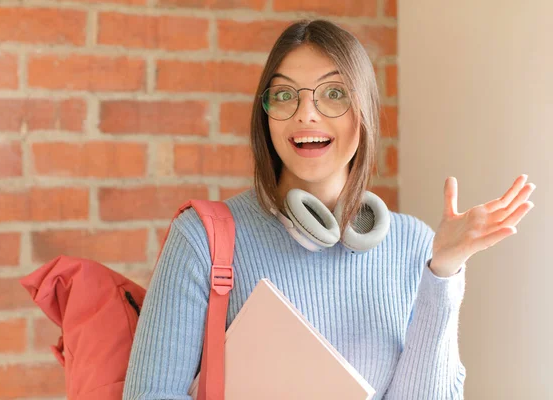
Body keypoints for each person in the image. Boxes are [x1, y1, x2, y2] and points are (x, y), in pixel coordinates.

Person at [122, 19, 535, 399]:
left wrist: (443, 271)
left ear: (364, 111)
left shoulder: (415, 246)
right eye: (284, 95)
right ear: (265, 116)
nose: (306, 113)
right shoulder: (202, 238)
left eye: (333, 93)